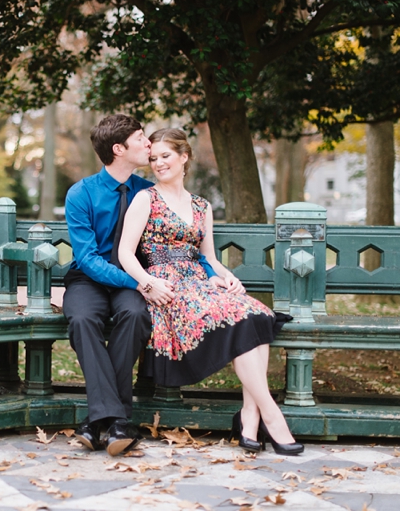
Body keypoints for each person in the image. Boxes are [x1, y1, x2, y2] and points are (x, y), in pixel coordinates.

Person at [117, 128, 303, 456]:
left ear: (184, 156)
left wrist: (227, 277)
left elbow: (210, 257)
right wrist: (148, 284)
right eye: (154, 158)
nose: (159, 163)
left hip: (198, 281)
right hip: (166, 287)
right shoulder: (146, 198)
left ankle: (249, 416)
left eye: (166, 156)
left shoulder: (201, 206)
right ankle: (271, 415)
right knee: (243, 319)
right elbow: (125, 254)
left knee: (257, 314)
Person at [63, 115, 219, 456]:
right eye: (140, 138)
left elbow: (189, 243)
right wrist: (140, 283)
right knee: (82, 320)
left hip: (135, 282)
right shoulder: (81, 193)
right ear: (119, 149)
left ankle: (97, 422)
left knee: (135, 318)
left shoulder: (147, 193)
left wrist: (214, 273)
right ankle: (117, 420)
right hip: (90, 280)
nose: (148, 144)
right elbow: (88, 259)